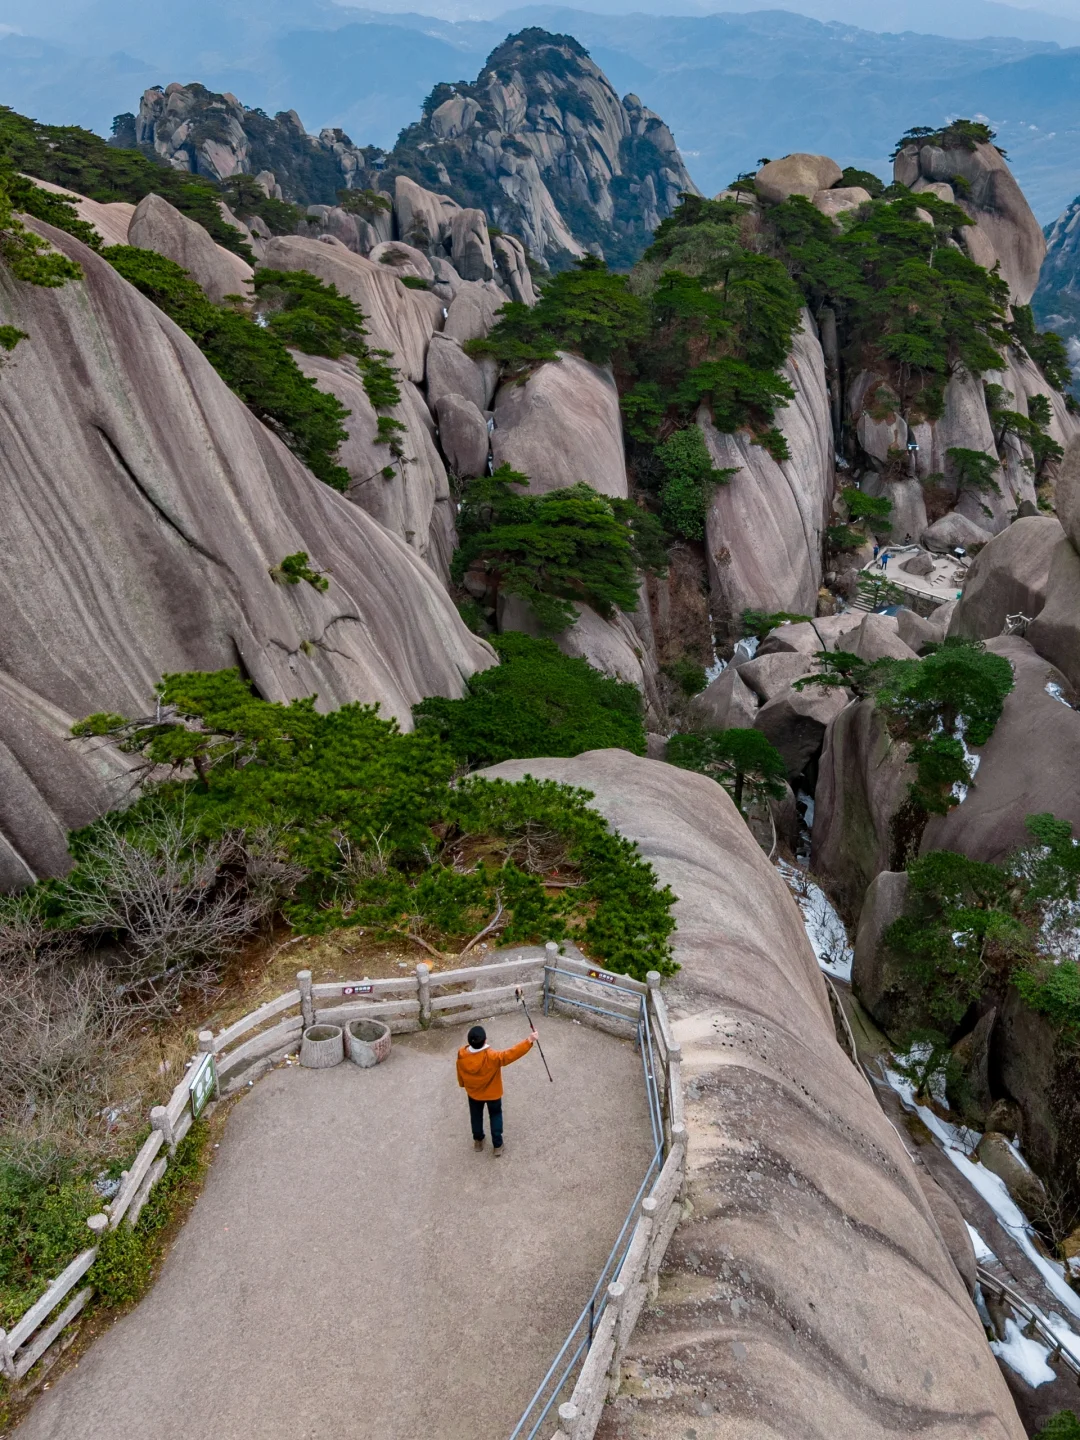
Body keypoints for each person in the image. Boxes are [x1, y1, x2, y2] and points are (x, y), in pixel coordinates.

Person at [456, 1023, 536, 1157]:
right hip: (493, 1094)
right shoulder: (492, 1056)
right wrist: (529, 1041)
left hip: (473, 1094)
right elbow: (510, 1054)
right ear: (485, 1040)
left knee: (476, 1117)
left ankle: (478, 1141)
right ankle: (497, 1145)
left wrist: (462, 1084)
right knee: (495, 1116)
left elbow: (459, 1072)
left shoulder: (461, 1055)